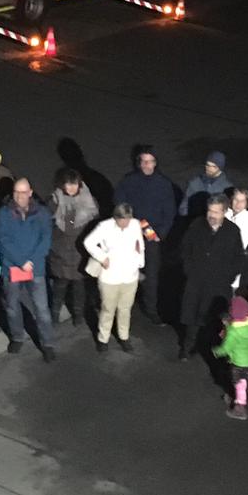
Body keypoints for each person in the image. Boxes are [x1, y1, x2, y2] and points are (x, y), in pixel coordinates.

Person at [177, 194, 248, 360]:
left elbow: (239, 257)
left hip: (218, 283)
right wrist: (189, 270)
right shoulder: (197, 225)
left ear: (224, 212)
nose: (212, 215)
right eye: (210, 211)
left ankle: (210, 348)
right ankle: (188, 347)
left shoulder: (232, 231)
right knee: (193, 317)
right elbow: (185, 249)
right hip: (197, 280)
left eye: (216, 212)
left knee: (213, 318)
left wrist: (229, 277)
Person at [0, 178, 57, 361]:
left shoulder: (42, 213)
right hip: (12, 267)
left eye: (23, 192)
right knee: (12, 306)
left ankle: (47, 343)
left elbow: (46, 239)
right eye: (16, 192)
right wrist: (21, 262)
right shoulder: (3, 214)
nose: (20, 196)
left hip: (35, 268)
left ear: (30, 193)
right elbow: (3, 240)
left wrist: (32, 261)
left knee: (42, 309)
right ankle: (17, 337)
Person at [113, 147, 176, 322]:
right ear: (139, 163)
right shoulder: (128, 181)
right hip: (130, 232)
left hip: (151, 235)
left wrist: (160, 233)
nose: (148, 165)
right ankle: (122, 305)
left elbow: (169, 211)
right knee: (125, 270)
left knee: (151, 273)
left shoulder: (163, 184)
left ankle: (151, 308)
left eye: (151, 161)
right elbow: (119, 203)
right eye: (144, 161)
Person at [83, 202, 146, 352]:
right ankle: (103, 338)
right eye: (123, 220)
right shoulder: (104, 227)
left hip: (130, 276)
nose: (126, 223)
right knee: (107, 309)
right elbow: (88, 242)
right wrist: (102, 257)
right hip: (110, 277)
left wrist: (139, 262)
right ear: (116, 218)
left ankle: (124, 336)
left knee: (125, 309)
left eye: (128, 219)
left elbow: (140, 244)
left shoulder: (135, 224)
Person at [48, 168, 99, 330]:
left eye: (74, 184)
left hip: (80, 252)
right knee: (59, 286)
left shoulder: (89, 201)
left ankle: (78, 315)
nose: (71, 188)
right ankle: (54, 314)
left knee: (79, 287)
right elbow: (48, 226)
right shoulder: (54, 201)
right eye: (68, 184)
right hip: (61, 251)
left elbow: (96, 227)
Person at [212, 296, 248, 420]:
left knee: (239, 383)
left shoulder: (233, 331)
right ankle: (234, 397)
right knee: (241, 382)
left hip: (238, 362)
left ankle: (240, 408)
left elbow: (227, 347)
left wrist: (217, 351)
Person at [179, 150, 233, 217]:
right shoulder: (195, 183)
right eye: (208, 165)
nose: (209, 168)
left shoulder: (227, 188)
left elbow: (229, 212)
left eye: (214, 166)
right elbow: (183, 207)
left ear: (220, 168)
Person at [227, 188, 248, 254]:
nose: (238, 203)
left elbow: (244, 243)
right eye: (236, 199)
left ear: (247, 203)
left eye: (242, 201)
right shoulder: (226, 213)